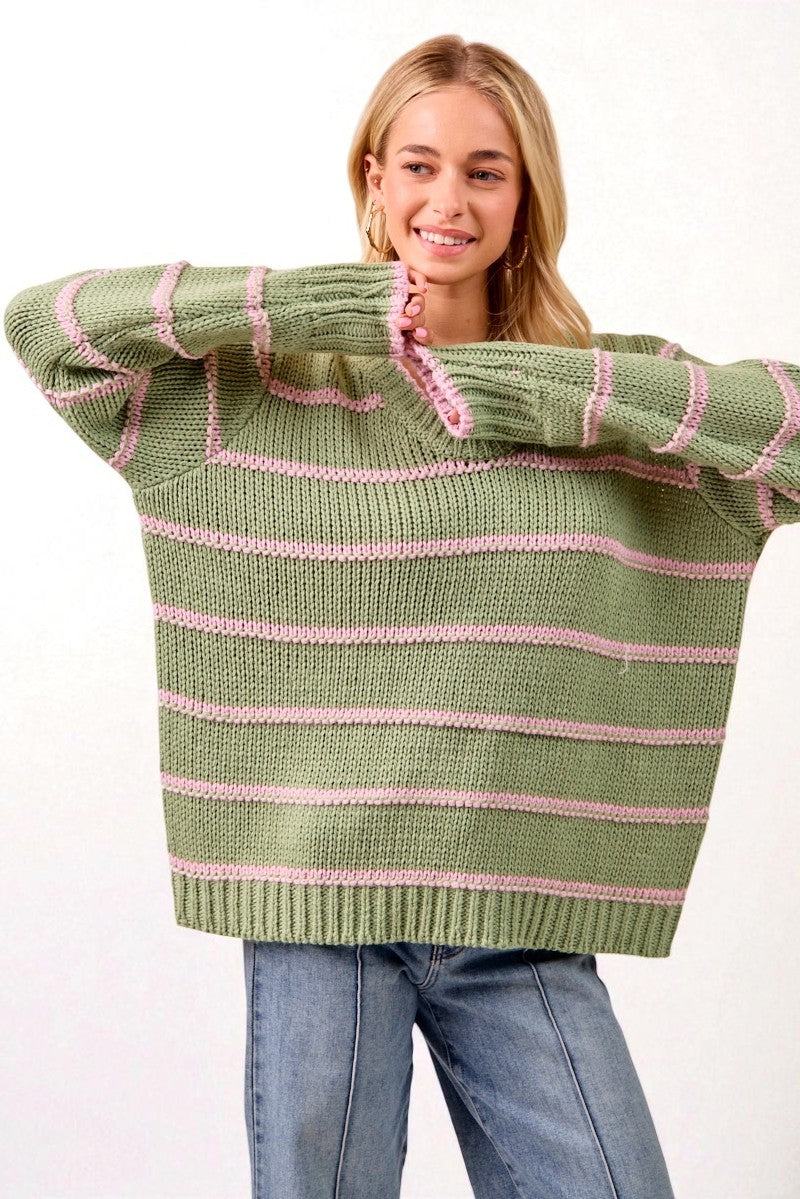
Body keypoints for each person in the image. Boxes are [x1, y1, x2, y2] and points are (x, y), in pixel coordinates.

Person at [5, 31, 799, 1199]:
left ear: (525, 196)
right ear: (372, 177)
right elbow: (50, 326)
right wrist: (296, 304)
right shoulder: (254, 397)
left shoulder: (601, 405)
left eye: (486, 169)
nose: (447, 197)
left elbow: (783, 434)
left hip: (516, 915)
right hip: (315, 903)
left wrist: (552, 381)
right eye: (417, 163)